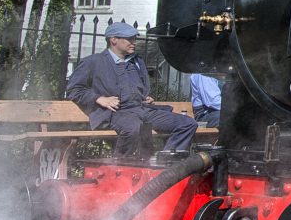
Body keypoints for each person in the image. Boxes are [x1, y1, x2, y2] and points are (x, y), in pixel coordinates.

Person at [65, 22, 199, 156]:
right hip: (116, 113)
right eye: (129, 39)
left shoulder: (136, 62)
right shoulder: (93, 62)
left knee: (187, 123)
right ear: (113, 40)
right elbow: (73, 90)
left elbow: (138, 88)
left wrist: (143, 97)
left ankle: (166, 162)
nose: (134, 42)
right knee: (134, 128)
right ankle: (119, 166)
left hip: (142, 110)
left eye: (134, 38)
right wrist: (99, 99)